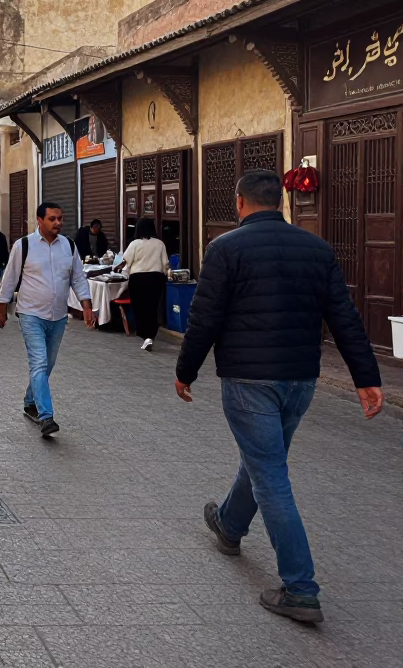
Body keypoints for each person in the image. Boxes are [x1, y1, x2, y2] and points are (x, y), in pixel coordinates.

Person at [174, 170, 383, 624]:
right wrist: (367, 377)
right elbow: (344, 318)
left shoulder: (225, 248)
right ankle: (229, 525)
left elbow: (204, 317)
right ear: (281, 202)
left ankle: (301, 589)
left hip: (249, 379)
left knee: (271, 475)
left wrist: (185, 371)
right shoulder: (317, 249)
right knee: (264, 460)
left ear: (239, 203)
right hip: (299, 381)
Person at [0, 202, 95, 438]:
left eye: (60, 218)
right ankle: (46, 416)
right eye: (52, 219)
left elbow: (78, 278)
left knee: (47, 364)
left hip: (58, 316)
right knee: (39, 363)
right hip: (30, 314)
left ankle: (30, 400)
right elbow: (10, 278)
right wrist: (1, 308)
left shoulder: (69, 246)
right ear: (39, 220)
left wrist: (87, 305)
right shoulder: (24, 245)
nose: (58, 223)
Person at [115, 218, 170, 350]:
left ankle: (145, 335)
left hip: (138, 279)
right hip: (156, 278)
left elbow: (126, 261)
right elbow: (165, 264)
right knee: (153, 307)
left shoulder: (135, 244)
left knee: (140, 308)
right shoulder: (160, 244)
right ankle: (151, 335)